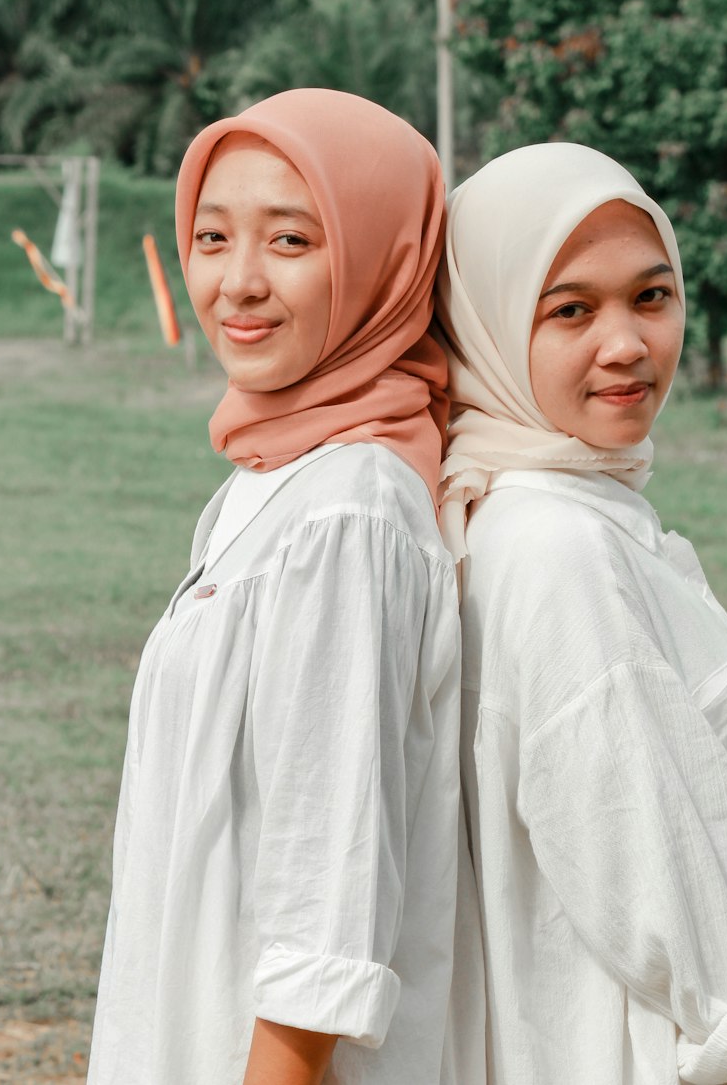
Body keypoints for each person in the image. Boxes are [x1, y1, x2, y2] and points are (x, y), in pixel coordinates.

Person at [436, 142, 727, 1085]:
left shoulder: (521, 511)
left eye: (651, 297)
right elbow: (689, 932)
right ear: (486, 324)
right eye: (570, 308)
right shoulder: (559, 550)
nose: (627, 344)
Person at [88, 89, 462, 1085]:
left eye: (292, 240)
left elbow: (324, 899)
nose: (237, 283)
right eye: (212, 238)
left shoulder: (352, 510)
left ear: (386, 261)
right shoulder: (266, 484)